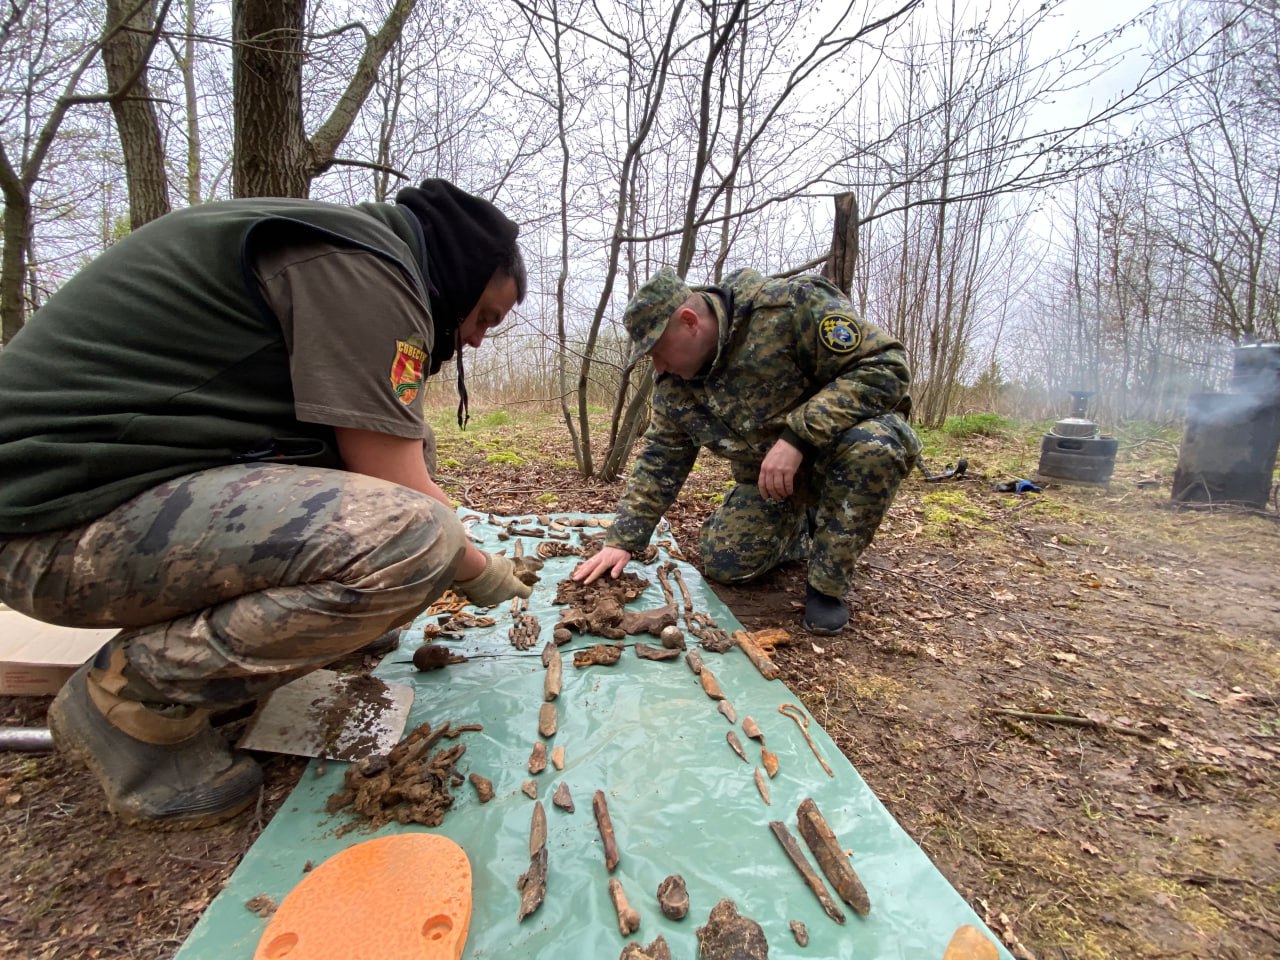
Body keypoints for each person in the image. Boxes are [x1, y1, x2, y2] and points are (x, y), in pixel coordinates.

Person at [0, 179, 535, 829]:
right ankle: (129, 700)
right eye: (485, 317)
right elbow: (398, 491)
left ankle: (226, 673)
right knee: (417, 541)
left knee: (412, 526)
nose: (478, 339)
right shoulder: (368, 273)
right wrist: (483, 571)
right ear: (463, 272)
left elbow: (395, 457)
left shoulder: (355, 258)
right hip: (46, 526)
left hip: (86, 500)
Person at [573, 266, 920, 635]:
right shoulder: (675, 385)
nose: (658, 365)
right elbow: (662, 459)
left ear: (689, 322)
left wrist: (797, 436)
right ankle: (804, 526)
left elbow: (886, 367)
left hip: (840, 453)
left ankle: (826, 586)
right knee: (726, 562)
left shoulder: (788, 307)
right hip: (772, 483)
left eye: (658, 350)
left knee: (874, 446)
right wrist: (622, 540)